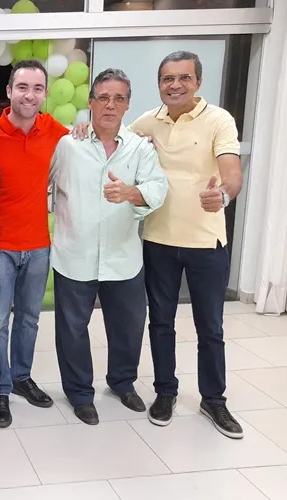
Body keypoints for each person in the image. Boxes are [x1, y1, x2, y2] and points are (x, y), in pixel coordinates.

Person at [130, 51, 244, 439]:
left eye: (184, 78)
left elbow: (232, 173)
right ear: (159, 84)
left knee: (210, 327)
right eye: (167, 79)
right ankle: (165, 392)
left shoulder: (219, 120)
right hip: (158, 240)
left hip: (206, 242)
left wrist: (223, 196)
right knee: (161, 323)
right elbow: (114, 141)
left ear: (198, 82)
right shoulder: (148, 121)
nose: (175, 85)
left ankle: (214, 399)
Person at [49, 69, 168, 425]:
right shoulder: (68, 144)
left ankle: (122, 382)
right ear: (91, 103)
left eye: (118, 98)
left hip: (123, 256)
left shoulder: (140, 147)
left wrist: (131, 192)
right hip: (75, 253)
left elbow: (158, 188)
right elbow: (46, 184)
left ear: (128, 104)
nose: (110, 105)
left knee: (129, 326)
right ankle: (79, 394)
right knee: (72, 329)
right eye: (102, 98)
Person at [0, 60, 71, 428]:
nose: (30, 95)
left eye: (37, 88)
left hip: (38, 245)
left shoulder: (55, 131)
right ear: (9, 91)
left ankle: (22, 376)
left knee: (29, 319)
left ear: (45, 94)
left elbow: (92, 139)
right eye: (22, 87)